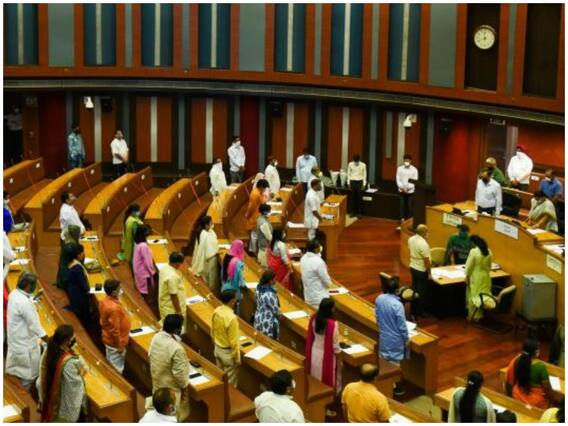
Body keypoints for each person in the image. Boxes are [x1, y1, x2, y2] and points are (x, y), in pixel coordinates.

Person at [6, 272, 48, 389]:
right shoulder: (24, 303)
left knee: (17, 371)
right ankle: (25, 395)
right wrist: (48, 340)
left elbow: (22, 309)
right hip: (25, 346)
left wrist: (34, 299)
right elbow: (35, 326)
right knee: (28, 378)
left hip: (15, 341)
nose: (35, 287)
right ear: (28, 286)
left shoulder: (14, 294)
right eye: (34, 285)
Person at [38, 324, 87, 422]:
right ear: (67, 341)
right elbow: (75, 385)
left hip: (48, 392)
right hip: (60, 399)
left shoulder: (50, 349)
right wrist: (82, 372)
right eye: (72, 336)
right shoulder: (68, 362)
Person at [148, 314, 190, 421]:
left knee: (159, 417)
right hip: (171, 393)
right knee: (170, 418)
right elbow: (180, 375)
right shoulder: (177, 348)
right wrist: (185, 389)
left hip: (157, 386)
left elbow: (150, 355)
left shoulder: (156, 337)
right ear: (177, 330)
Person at [375, 275, 408, 396]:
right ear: (397, 290)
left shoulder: (379, 299)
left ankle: (385, 385)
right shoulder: (397, 305)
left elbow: (377, 316)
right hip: (395, 338)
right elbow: (402, 325)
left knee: (384, 360)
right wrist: (406, 338)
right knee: (394, 363)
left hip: (383, 335)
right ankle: (393, 387)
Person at [306, 298, 341, 405]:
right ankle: (326, 403)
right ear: (331, 309)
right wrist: (340, 360)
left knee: (315, 377)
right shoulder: (332, 324)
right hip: (326, 355)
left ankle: (317, 402)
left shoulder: (314, 318)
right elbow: (335, 346)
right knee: (326, 381)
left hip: (314, 351)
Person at [506, 340, 553, 409]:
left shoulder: (517, 360)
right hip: (535, 401)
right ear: (536, 352)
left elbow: (512, 379)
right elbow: (547, 389)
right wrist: (552, 400)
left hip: (517, 395)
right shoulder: (541, 367)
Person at [99, 279, 131, 374]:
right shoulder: (113, 308)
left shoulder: (105, 300)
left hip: (108, 339)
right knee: (117, 368)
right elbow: (114, 330)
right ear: (113, 292)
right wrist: (119, 346)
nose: (121, 290)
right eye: (119, 289)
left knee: (111, 361)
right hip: (115, 343)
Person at [211, 289, 241, 386]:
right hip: (228, 354)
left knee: (220, 379)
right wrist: (237, 358)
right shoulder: (232, 318)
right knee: (230, 385)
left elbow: (212, 330)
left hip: (217, 349)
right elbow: (234, 342)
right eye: (235, 299)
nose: (236, 300)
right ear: (232, 301)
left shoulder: (216, 311)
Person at [464, 235, 493, 322]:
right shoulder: (489, 251)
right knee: (483, 295)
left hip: (475, 277)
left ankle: (474, 317)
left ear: (473, 243)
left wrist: (467, 276)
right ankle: (481, 314)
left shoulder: (473, 252)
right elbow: (490, 267)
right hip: (486, 277)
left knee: (473, 296)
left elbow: (469, 266)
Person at [63, 243, 91, 330]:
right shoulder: (77, 268)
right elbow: (83, 285)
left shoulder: (70, 263)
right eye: (82, 253)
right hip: (79, 296)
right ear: (78, 255)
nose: (84, 254)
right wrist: (89, 290)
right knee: (85, 315)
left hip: (73, 292)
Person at [133, 225, 158, 313]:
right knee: (147, 294)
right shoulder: (143, 246)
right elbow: (148, 262)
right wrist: (153, 272)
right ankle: (148, 310)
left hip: (138, 271)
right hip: (144, 273)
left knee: (142, 292)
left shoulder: (137, 243)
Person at [408, 224, 431, 318]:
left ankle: (413, 309)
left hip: (412, 267)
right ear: (423, 233)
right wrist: (429, 273)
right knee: (422, 292)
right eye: (427, 231)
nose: (428, 233)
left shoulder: (411, 239)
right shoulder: (423, 244)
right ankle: (420, 312)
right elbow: (426, 261)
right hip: (421, 270)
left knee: (415, 289)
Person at [191, 215, 219, 292]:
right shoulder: (204, 234)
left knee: (210, 275)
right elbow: (209, 248)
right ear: (206, 225)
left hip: (210, 256)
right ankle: (211, 291)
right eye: (211, 223)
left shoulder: (209, 232)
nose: (212, 224)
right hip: (210, 256)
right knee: (211, 276)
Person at [300, 240, 331, 309]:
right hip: (319, 298)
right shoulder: (318, 262)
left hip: (308, 296)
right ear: (316, 249)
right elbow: (327, 282)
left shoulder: (303, 258)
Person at [158, 252, 186, 322]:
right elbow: (173, 295)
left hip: (165, 305)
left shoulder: (164, 268)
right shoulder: (172, 276)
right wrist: (179, 312)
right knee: (172, 326)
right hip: (171, 309)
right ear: (177, 264)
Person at [221, 240, 246, 314]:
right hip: (234, 289)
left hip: (225, 285)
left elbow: (222, 272)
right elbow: (241, 282)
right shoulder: (237, 262)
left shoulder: (227, 256)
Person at [254, 270, 281, 339]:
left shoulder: (258, 288)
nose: (275, 281)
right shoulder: (270, 294)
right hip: (268, 323)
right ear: (270, 281)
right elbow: (276, 310)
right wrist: (280, 316)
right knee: (270, 343)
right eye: (274, 279)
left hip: (258, 319)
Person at [245, 179, 270, 252]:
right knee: (254, 234)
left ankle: (252, 249)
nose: (264, 190)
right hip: (254, 216)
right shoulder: (255, 194)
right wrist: (247, 214)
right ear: (261, 186)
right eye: (264, 188)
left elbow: (261, 202)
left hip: (257, 215)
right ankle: (253, 250)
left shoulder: (258, 192)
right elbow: (251, 207)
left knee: (255, 234)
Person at [396, 154, 419, 228]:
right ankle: (402, 220)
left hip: (410, 192)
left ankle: (408, 222)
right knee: (401, 205)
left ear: (410, 161)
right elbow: (398, 179)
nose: (406, 162)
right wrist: (401, 188)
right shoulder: (399, 169)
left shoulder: (414, 170)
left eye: (408, 160)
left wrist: (407, 189)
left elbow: (414, 181)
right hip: (401, 191)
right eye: (405, 160)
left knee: (409, 206)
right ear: (403, 160)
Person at [256, 204, 273, 268]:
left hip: (262, 248)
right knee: (265, 268)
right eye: (269, 211)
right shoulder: (263, 223)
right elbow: (270, 237)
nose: (270, 212)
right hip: (264, 250)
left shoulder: (260, 219)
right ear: (265, 212)